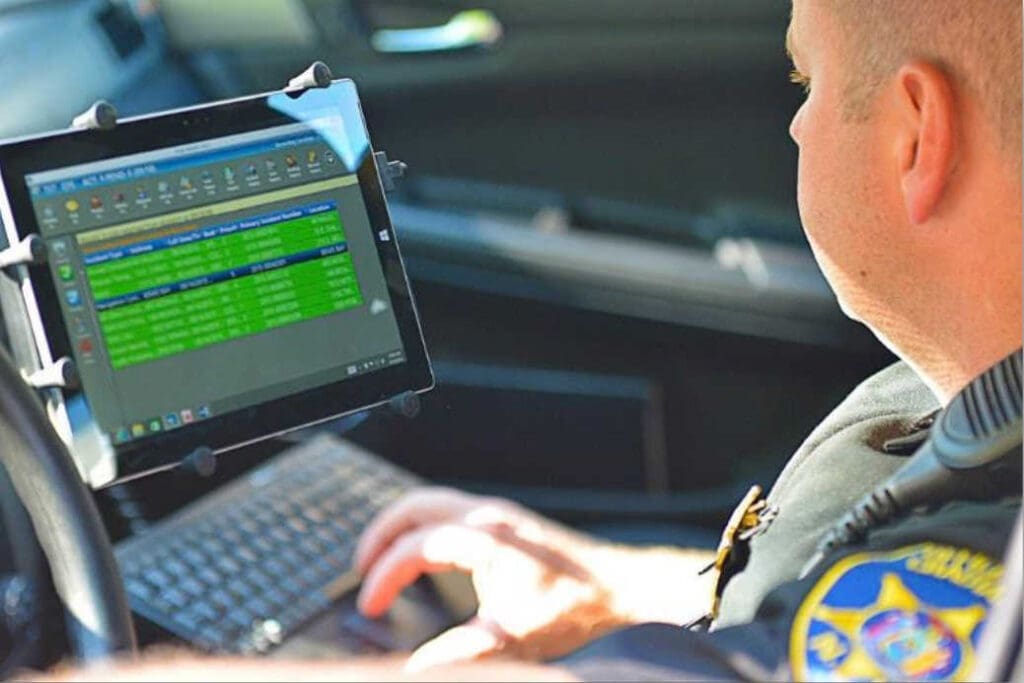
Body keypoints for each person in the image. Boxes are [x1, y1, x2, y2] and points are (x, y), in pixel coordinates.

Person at [47, 0, 1022, 679]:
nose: (796, 126)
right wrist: (612, 584)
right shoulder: (955, 393)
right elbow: (827, 609)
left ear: (914, 136)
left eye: (804, 80)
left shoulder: (989, 547)